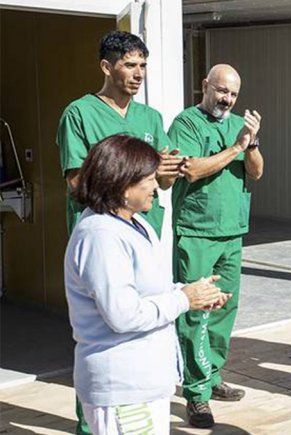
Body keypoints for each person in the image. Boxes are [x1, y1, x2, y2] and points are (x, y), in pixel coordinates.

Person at [56, 30, 184, 435]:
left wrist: (164, 173)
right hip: (109, 239)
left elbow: (162, 183)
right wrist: (126, 176)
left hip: (143, 233)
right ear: (106, 67)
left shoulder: (150, 118)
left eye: (143, 65)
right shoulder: (79, 113)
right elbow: (77, 183)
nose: (139, 73)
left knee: (144, 327)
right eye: (130, 64)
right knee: (107, 330)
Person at [64, 135, 228, 435]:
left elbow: (148, 289)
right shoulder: (100, 236)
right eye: (150, 179)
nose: (156, 186)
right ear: (123, 184)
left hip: (144, 384)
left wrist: (192, 293)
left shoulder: (134, 223)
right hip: (123, 388)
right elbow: (123, 315)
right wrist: (183, 300)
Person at [168, 64, 264, 428]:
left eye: (234, 94)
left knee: (224, 310)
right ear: (205, 85)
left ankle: (211, 375)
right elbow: (191, 169)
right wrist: (236, 146)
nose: (227, 99)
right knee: (196, 312)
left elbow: (256, 171)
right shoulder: (186, 123)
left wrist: (252, 143)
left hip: (231, 232)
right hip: (197, 231)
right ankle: (196, 394)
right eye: (222, 91)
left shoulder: (239, 124)